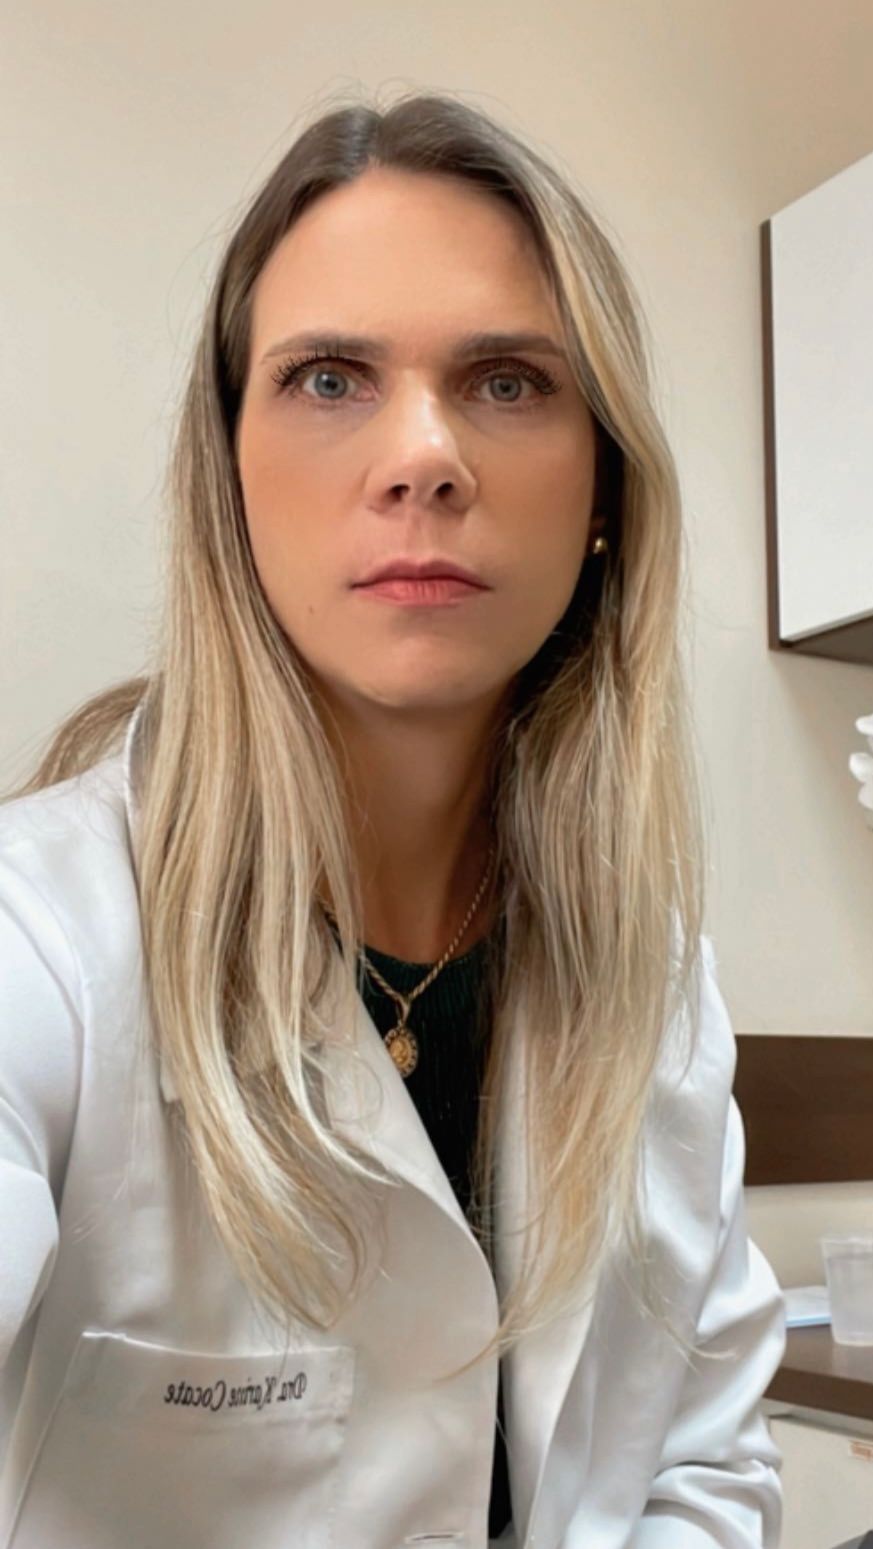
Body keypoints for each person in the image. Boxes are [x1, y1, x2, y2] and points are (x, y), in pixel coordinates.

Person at [0, 89, 785, 1549]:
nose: (425, 455)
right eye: (327, 379)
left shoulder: (659, 989)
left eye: (509, 381)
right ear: (229, 480)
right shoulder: (35, 942)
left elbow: (704, 1472)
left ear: (603, 491)